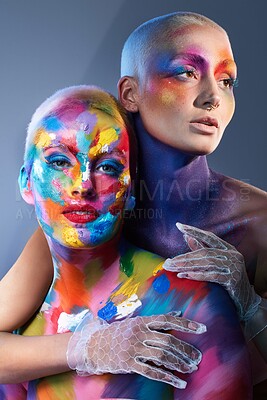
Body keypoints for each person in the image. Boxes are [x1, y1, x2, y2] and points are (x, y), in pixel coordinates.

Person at [0, 86, 251, 399]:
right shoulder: (24, 317)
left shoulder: (191, 308)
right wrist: (85, 348)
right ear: (26, 182)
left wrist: (254, 311)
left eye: (108, 167)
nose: (82, 186)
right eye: (59, 162)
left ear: (131, 190)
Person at [117, 11, 267, 390]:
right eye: (187, 72)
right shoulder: (87, 211)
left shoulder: (260, 220)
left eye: (226, 80)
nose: (213, 98)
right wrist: (85, 349)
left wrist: (250, 306)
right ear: (131, 94)